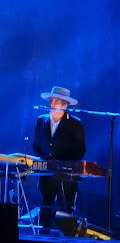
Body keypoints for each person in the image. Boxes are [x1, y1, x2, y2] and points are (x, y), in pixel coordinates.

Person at [33, 86, 86, 231]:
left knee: (67, 207)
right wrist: (43, 162)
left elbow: (80, 149)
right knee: (46, 203)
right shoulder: (41, 120)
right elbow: (36, 144)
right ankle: (43, 235)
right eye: (52, 100)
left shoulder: (75, 123)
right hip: (47, 172)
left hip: (67, 174)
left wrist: (66, 165)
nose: (52, 104)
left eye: (56, 101)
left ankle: (68, 239)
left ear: (65, 105)